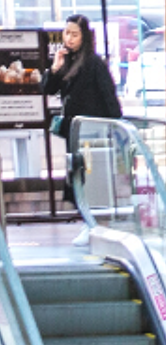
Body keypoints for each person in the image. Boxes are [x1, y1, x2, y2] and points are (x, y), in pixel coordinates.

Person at [45, 16, 120, 246]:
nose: (68, 38)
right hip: (75, 132)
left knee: (89, 177)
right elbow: (48, 89)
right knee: (76, 175)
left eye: (74, 34)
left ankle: (93, 224)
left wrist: (117, 128)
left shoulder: (94, 64)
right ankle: (88, 223)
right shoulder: (67, 60)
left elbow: (109, 96)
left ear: (84, 36)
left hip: (92, 132)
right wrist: (55, 68)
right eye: (66, 33)